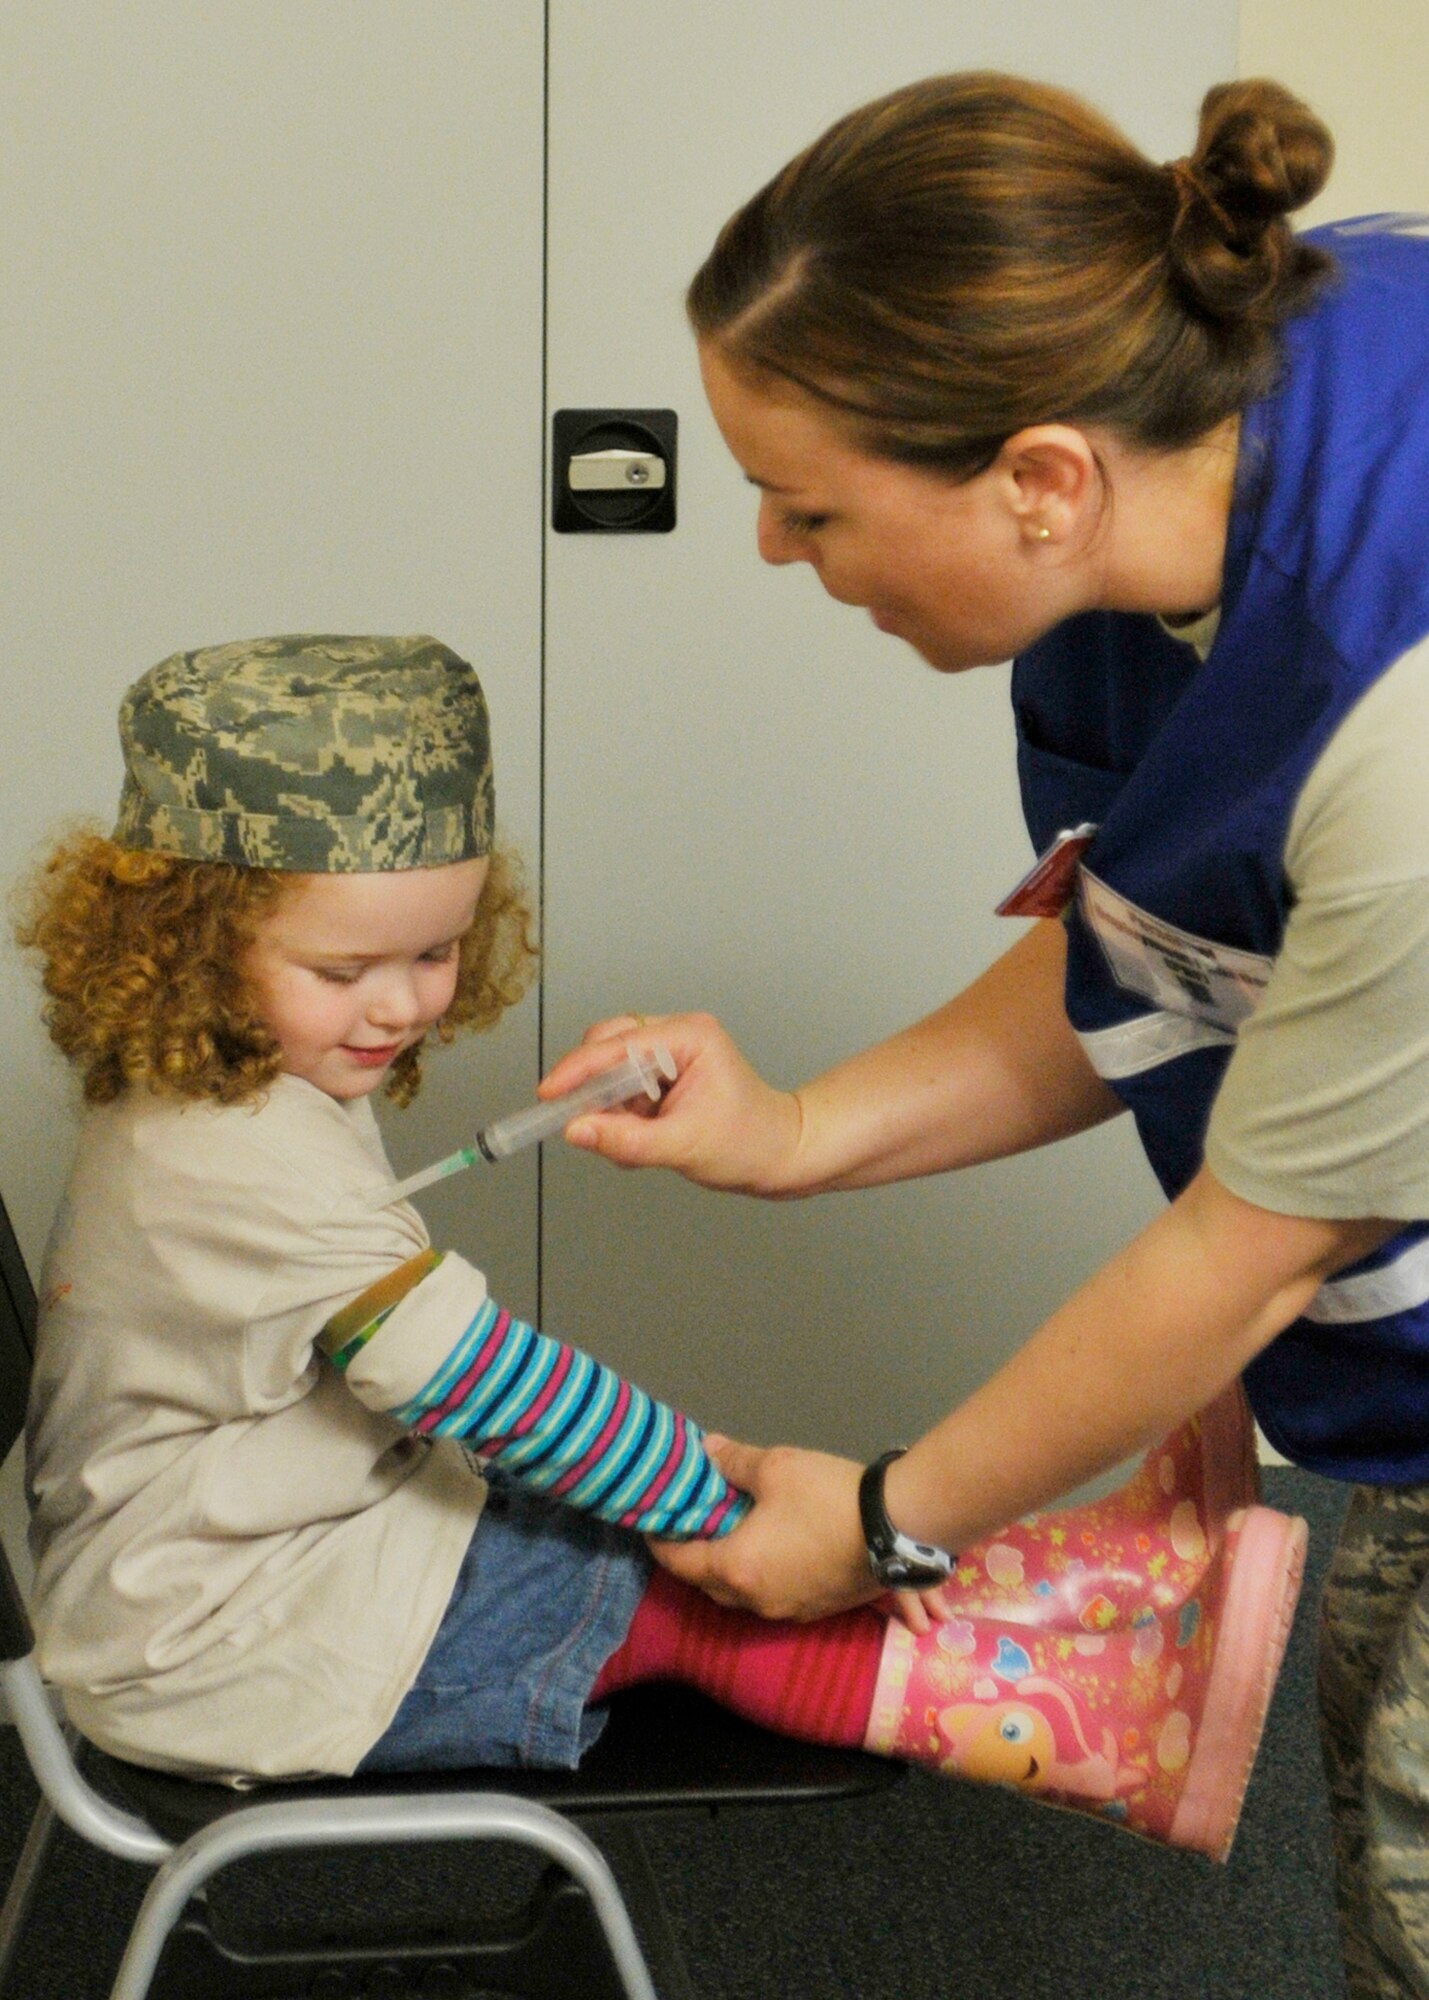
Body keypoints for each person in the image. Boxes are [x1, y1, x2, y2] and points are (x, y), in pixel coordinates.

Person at [540, 71, 1429, 1996]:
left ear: (1032, 479)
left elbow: (1252, 1248)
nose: (778, 553)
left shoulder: (1398, 707)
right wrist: (789, 1129)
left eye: (808, 507)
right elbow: (1172, 934)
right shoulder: (1182, 430)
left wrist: (875, 1526)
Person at [15, 632, 1299, 1860]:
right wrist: (723, 1507)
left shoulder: (212, 1090)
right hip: (222, 1642)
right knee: (676, 1581)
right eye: (346, 967)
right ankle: (1100, 1726)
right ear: (181, 940)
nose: (402, 1003)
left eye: (435, 950)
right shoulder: (236, 1159)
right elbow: (489, 1387)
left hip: (237, 1564)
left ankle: (1048, 1585)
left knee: (660, 1517)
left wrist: (750, 1500)